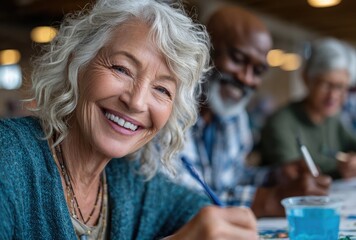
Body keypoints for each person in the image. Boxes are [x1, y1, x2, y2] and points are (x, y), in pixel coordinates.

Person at [0, 1, 259, 239]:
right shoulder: (8, 157)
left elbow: (198, 211)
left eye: (162, 89)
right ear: (76, 63)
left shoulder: (129, 179)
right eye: (121, 69)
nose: (136, 102)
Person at [168, 5, 331, 218]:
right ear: (204, 50)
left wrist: (275, 176)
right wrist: (268, 201)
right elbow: (177, 203)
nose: (246, 78)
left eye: (258, 71)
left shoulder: (235, 117)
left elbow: (230, 178)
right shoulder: (168, 110)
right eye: (237, 59)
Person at [260, 38, 356, 179]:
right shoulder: (281, 123)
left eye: (340, 87)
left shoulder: (333, 118)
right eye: (326, 84)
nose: (333, 95)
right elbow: (294, 178)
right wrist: (340, 172)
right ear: (306, 79)